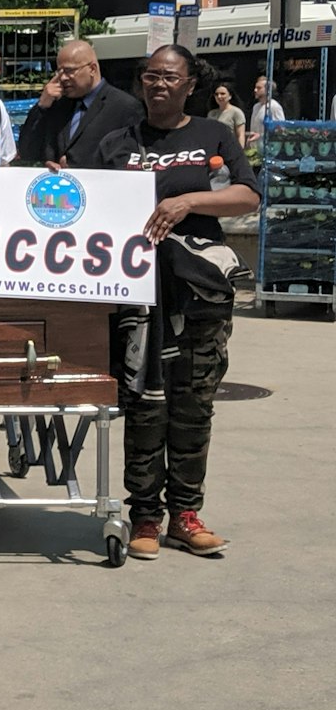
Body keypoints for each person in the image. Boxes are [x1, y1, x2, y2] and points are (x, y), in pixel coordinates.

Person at [97, 45, 260, 561]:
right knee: (144, 405)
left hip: (200, 295)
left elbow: (247, 194)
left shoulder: (210, 136)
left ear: (191, 84)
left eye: (169, 76)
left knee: (192, 408)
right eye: (150, 76)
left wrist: (188, 201)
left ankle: (186, 516)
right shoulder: (116, 144)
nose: (158, 84)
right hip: (136, 296)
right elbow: (86, 199)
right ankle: (144, 516)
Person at [18, 39, 144, 169]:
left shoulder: (125, 107)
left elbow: (131, 160)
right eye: (59, 71)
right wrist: (42, 106)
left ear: (92, 69)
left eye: (69, 71)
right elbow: (27, 152)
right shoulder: (57, 105)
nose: (63, 78)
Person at [248, 75, 284, 145]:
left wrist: (261, 136)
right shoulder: (256, 107)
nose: (255, 90)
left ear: (268, 90)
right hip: (254, 148)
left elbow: (281, 129)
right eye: (255, 88)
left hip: (268, 148)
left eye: (259, 88)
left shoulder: (274, 106)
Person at [207, 83, 246, 148]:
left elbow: (241, 135)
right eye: (216, 94)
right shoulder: (211, 114)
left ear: (230, 96)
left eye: (222, 94)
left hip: (230, 149)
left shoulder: (236, 112)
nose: (219, 96)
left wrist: (240, 152)